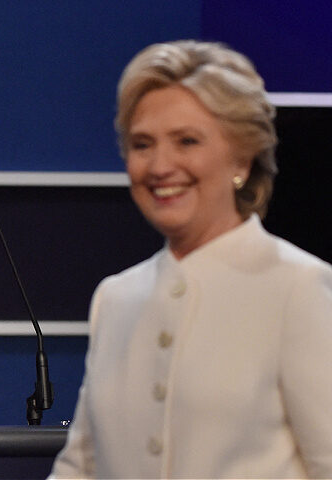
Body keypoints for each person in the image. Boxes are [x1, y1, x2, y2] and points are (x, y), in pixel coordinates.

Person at [50, 40, 332, 478]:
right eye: (142, 144)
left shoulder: (299, 287)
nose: (161, 166)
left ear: (242, 156)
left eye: (187, 141)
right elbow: (80, 467)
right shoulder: (117, 297)